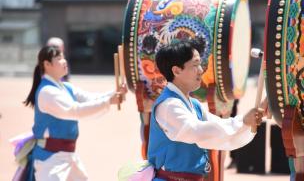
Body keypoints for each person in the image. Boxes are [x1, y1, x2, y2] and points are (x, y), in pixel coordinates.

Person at [147, 40, 267, 180]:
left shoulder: (194, 105)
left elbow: (219, 126)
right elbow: (197, 131)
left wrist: (249, 119)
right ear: (176, 70)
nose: (201, 70)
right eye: (195, 65)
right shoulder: (169, 105)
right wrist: (243, 122)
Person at [21, 45, 127, 180]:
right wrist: (109, 101)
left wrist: (114, 94)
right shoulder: (47, 92)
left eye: (63, 57)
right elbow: (74, 110)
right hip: (50, 159)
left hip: (68, 156)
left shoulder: (65, 87)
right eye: (59, 58)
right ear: (47, 64)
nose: (64, 61)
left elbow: (90, 98)